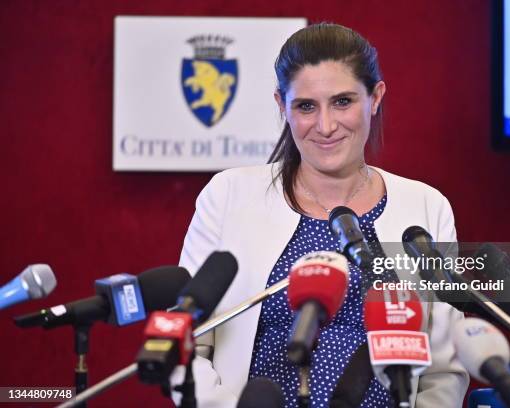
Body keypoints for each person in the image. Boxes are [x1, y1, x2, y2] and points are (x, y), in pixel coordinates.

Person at [174, 23, 468, 407]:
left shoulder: (427, 206)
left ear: (375, 97)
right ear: (282, 105)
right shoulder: (228, 196)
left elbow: (444, 368)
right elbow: (183, 345)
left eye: (343, 101)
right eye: (306, 106)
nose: (326, 126)